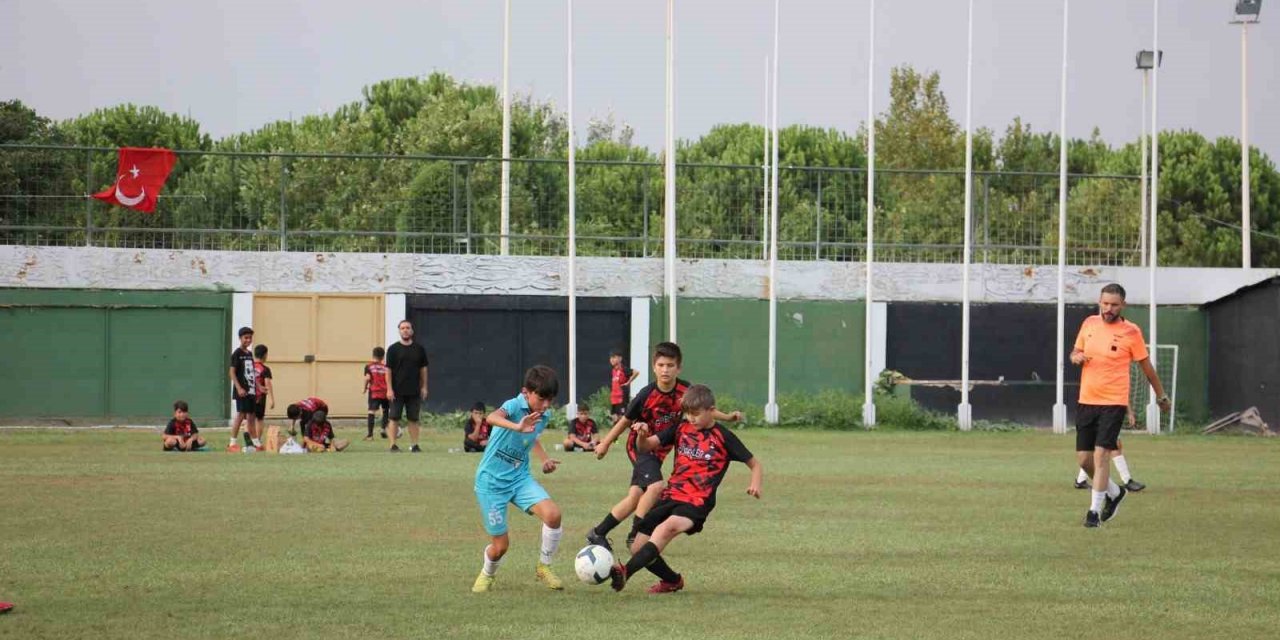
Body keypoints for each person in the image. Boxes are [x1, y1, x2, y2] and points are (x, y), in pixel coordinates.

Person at [608, 384, 762, 594]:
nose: (691, 418)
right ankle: (672, 580)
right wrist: (642, 435)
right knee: (638, 546)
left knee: (666, 529)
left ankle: (625, 572)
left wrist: (754, 483)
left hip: (697, 501)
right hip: (671, 496)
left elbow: (755, 464)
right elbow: (645, 447)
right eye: (687, 413)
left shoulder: (723, 437)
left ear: (711, 410)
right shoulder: (681, 428)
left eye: (696, 414)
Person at [589, 342, 742, 550]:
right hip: (641, 447)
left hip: (659, 449)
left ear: (678, 368)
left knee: (636, 497)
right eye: (661, 365)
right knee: (656, 487)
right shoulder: (646, 394)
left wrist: (728, 417)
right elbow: (625, 420)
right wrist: (605, 444)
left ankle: (598, 532)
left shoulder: (685, 390)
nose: (665, 370)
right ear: (654, 367)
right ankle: (636, 534)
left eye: (670, 365)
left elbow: (703, 409)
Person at [1071, 283, 1170, 528]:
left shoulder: (1131, 332)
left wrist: (1161, 396)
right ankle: (1115, 492)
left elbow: (1147, 368)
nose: (1109, 308)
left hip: (1113, 402)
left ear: (1122, 305)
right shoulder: (1089, 324)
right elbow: (1076, 351)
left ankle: (1093, 513)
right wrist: (1075, 357)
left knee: (1102, 455)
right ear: (1100, 302)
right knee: (1085, 461)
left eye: (1114, 305)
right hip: (1087, 400)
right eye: (1105, 303)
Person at [471, 365, 565, 593]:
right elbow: (492, 417)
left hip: (520, 479)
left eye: (550, 400)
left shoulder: (543, 414)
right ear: (526, 392)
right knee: (501, 547)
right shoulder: (514, 405)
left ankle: (544, 566)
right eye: (541, 399)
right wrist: (516, 425)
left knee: (553, 515)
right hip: (491, 483)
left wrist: (543, 459)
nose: (545, 406)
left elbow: (532, 437)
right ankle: (487, 574)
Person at [385, 320, 429, 453]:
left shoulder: (419, 349)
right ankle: (393, 445)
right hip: (396, 391)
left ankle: (415, 445)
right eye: (402, 328)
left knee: (413, 418)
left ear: (412, 331)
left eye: (407, 328)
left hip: (414, 390)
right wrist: (389, 389)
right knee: (394, 418)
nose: (405, 330)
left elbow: (424, 369)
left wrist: (424, 387)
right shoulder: (393, 349)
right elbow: (388, 370)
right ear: (399, 331)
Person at [228, 326, 259, 452]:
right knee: (240, 415)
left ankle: (256, 443)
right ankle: (232, 443)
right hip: (242, 391)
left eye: (250, 338)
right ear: (240, 338)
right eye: (246, 338)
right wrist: (239, 387)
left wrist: (258, 386)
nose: (248, 340)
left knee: (251, 416)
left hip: (251, 390)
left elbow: (251, 372)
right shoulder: (237, 354)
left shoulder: (249, 354)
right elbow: (232, 372)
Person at [364, 346, 390, 441]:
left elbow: (367, 378)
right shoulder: (385, 367)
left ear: (373, 355)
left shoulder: (369, 366)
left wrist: (364, 388)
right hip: (385, 391)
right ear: (383, 357)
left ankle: (370, 435)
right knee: (385, 410)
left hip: (374, 392)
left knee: (371, 411)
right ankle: (383, 429)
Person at [609, 349, 639, 420]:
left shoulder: (624, 369)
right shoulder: (613, 370)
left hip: (621, 397)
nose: (611, 360)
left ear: (620, 358)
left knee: (623, 416)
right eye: (611, 358)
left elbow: (636, 372)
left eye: (614, 357)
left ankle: (634, 427)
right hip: (614, 397)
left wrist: (628, 382)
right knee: (614, 416)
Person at [252, 344, 274, 428]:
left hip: (249, 396)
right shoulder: (265, 369)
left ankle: (248, 435)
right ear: (265, 355)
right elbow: (268, 383)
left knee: (249, 418)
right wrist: (272, 399)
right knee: (259, 419)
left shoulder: (250, 367)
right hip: (260, 397)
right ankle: (257, 439)